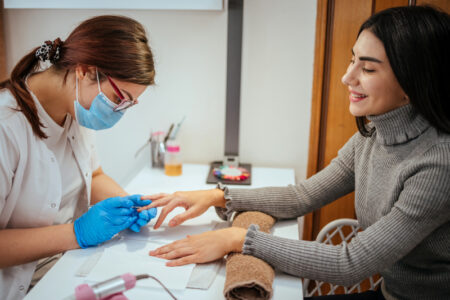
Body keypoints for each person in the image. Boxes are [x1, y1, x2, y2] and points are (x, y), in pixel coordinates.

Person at [142, 6, 450, 300]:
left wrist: (237, 239)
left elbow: (350, 263)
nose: (348, 77)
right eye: (352, 60)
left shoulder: (438, 164)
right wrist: (217, 196)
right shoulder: (371, 137)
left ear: (413, 81)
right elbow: (302, 196)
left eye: (367, 68)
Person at [0, 15, 157, 300]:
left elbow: (94, 176)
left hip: (65, 268)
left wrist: (129, 204)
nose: (120, 110)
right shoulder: (5, 126)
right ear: (85, 71)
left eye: (130, 104)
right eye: (119, 97)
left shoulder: (76, 111)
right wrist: (78, 233)